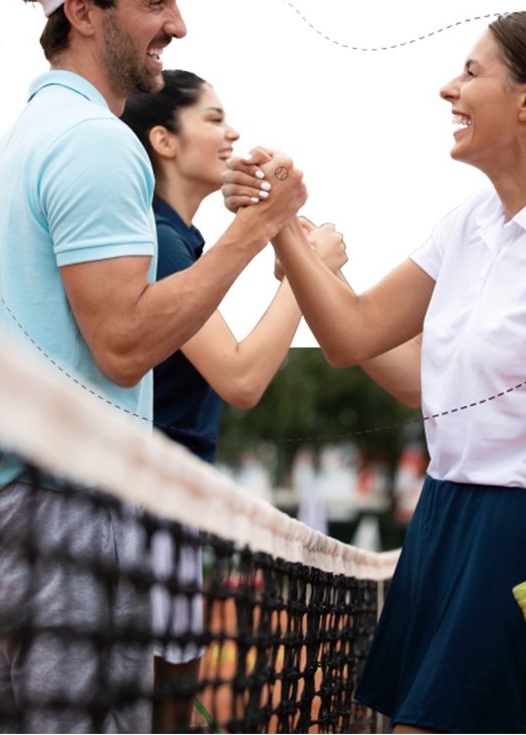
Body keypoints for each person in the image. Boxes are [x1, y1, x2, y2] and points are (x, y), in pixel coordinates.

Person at [224, 21, 526, 732]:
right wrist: (279, 223)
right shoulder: (472, 220)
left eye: (472, 73)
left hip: (516, 531)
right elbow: (351, 333)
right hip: (442, 514)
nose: (450, 89)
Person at [0, 0, 307, 734]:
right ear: (82, 12)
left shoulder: (11, 143)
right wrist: (255, 229)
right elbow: (124, 343)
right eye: (156, 2)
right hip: (73, 511)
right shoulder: (98, 144)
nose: (175, 27)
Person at [120, 69, 348, 731]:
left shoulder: (179, 240)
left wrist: (275, 235)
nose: (232, 134)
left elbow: (218, 339)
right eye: (214, 119)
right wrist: (308, 278)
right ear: (163, 138)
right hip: (148, 504)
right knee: (160, 700)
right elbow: (240, 376)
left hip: (170, 501)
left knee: (169, 693)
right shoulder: (157, 241)